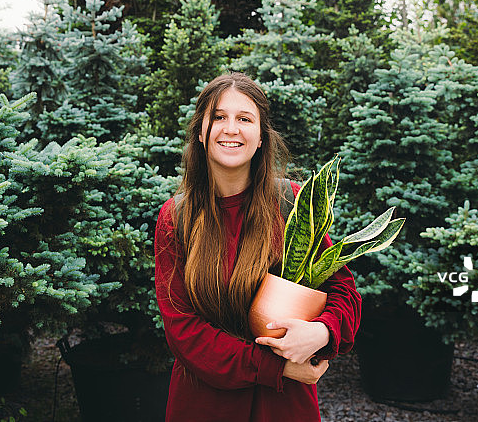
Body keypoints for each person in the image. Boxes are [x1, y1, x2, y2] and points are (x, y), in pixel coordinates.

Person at [154, 72, 361, 422]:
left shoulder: (293, 203)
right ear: (201, 133)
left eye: (244, 119)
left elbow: (345, 294)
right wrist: (277, 369)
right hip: (204, 405)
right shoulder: (177, 217)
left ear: (262, 137)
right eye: (219, 117)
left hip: (283, 408)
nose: (231, 129)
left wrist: (321, 331)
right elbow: (182, 331)